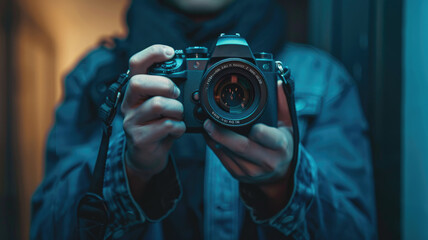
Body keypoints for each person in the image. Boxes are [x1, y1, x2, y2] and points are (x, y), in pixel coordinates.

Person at [31, 0, 377, 239]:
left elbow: (358, 232)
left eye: (241, 88)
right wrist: (131, 169)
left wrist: (286, 183)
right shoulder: (99, 77)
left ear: (270, 73)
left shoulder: (322, 80)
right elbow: (47, 230)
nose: (226, 94)